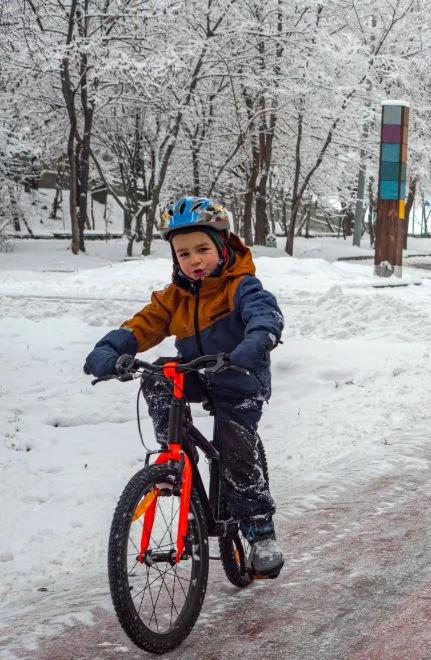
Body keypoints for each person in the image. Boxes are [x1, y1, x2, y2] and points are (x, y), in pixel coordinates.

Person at [84, 196, 286, 578]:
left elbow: (265, 314)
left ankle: (260, 530)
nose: (194, 260)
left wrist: (256, 341)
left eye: (203, 249)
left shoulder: (240, 286)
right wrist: (109, 349)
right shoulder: (173, 297)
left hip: (239, 376)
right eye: (184, 253)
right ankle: (178, 456)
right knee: (158, 375)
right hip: (197, 371)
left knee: (235, 445)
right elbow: (141, 326)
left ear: (223, 246)